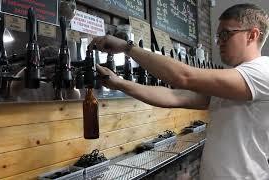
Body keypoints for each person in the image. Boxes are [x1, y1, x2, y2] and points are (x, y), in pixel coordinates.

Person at [89, 3, 269, 180]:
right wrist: (119, 83)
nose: (220, 42)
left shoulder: (262, 72)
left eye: (226, 34)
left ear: (252, 35)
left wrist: (127, 48)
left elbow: (184, 77)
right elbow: (175, 96)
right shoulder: (235, 78)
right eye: (218, 36)